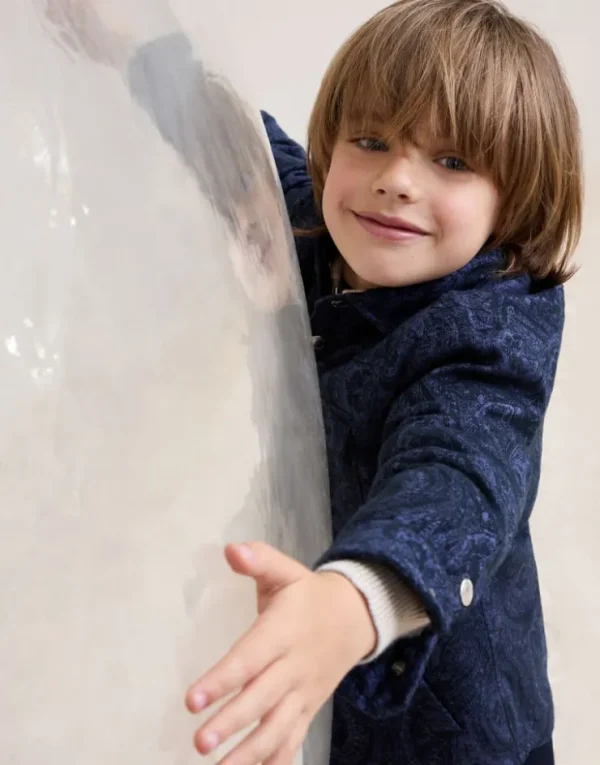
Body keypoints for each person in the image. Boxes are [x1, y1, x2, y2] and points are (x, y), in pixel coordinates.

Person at [45, 1, 582, 764]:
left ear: (515, 201)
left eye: (453, 161)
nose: (396, 179)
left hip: (460, 730)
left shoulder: (491, 331)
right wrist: (122, 39)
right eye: (371, 140)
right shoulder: (329, 226)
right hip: (324, 660)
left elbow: (459, 479)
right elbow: (238, 147)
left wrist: (351, 599)